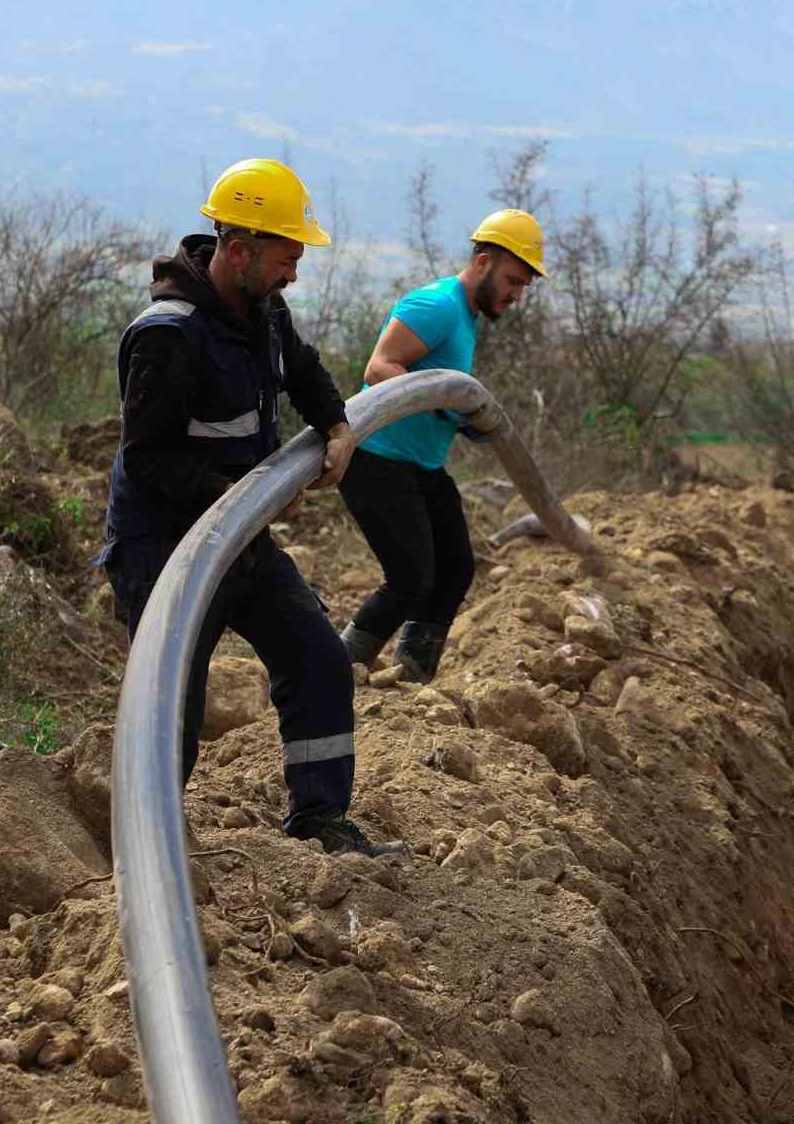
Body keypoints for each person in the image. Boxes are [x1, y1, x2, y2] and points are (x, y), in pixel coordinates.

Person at [97, 158, 401, 857]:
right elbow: (148, 460)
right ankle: (148, 853)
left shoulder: (263, 311)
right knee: (171, 704)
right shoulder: (168, 335)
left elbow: (301, 367)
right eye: (286, 259)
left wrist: (336, 425)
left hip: (239, 537)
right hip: (166, 549)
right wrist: (250, 495)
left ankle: (319, 819)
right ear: (239, 251)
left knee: (318, 659)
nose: (293, 273)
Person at [338, 209, 546, 682]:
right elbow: (380, 370)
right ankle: (331, 668)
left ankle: (412, 678)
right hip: (377, 462)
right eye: (513, 281)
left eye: (523, 286)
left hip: (421, 467)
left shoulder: (465, 316)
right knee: (411, 580)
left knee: (455, 570)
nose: (517, 295)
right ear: (482, 261)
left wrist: (463, 417)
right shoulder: (436, 305)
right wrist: (453, 410)